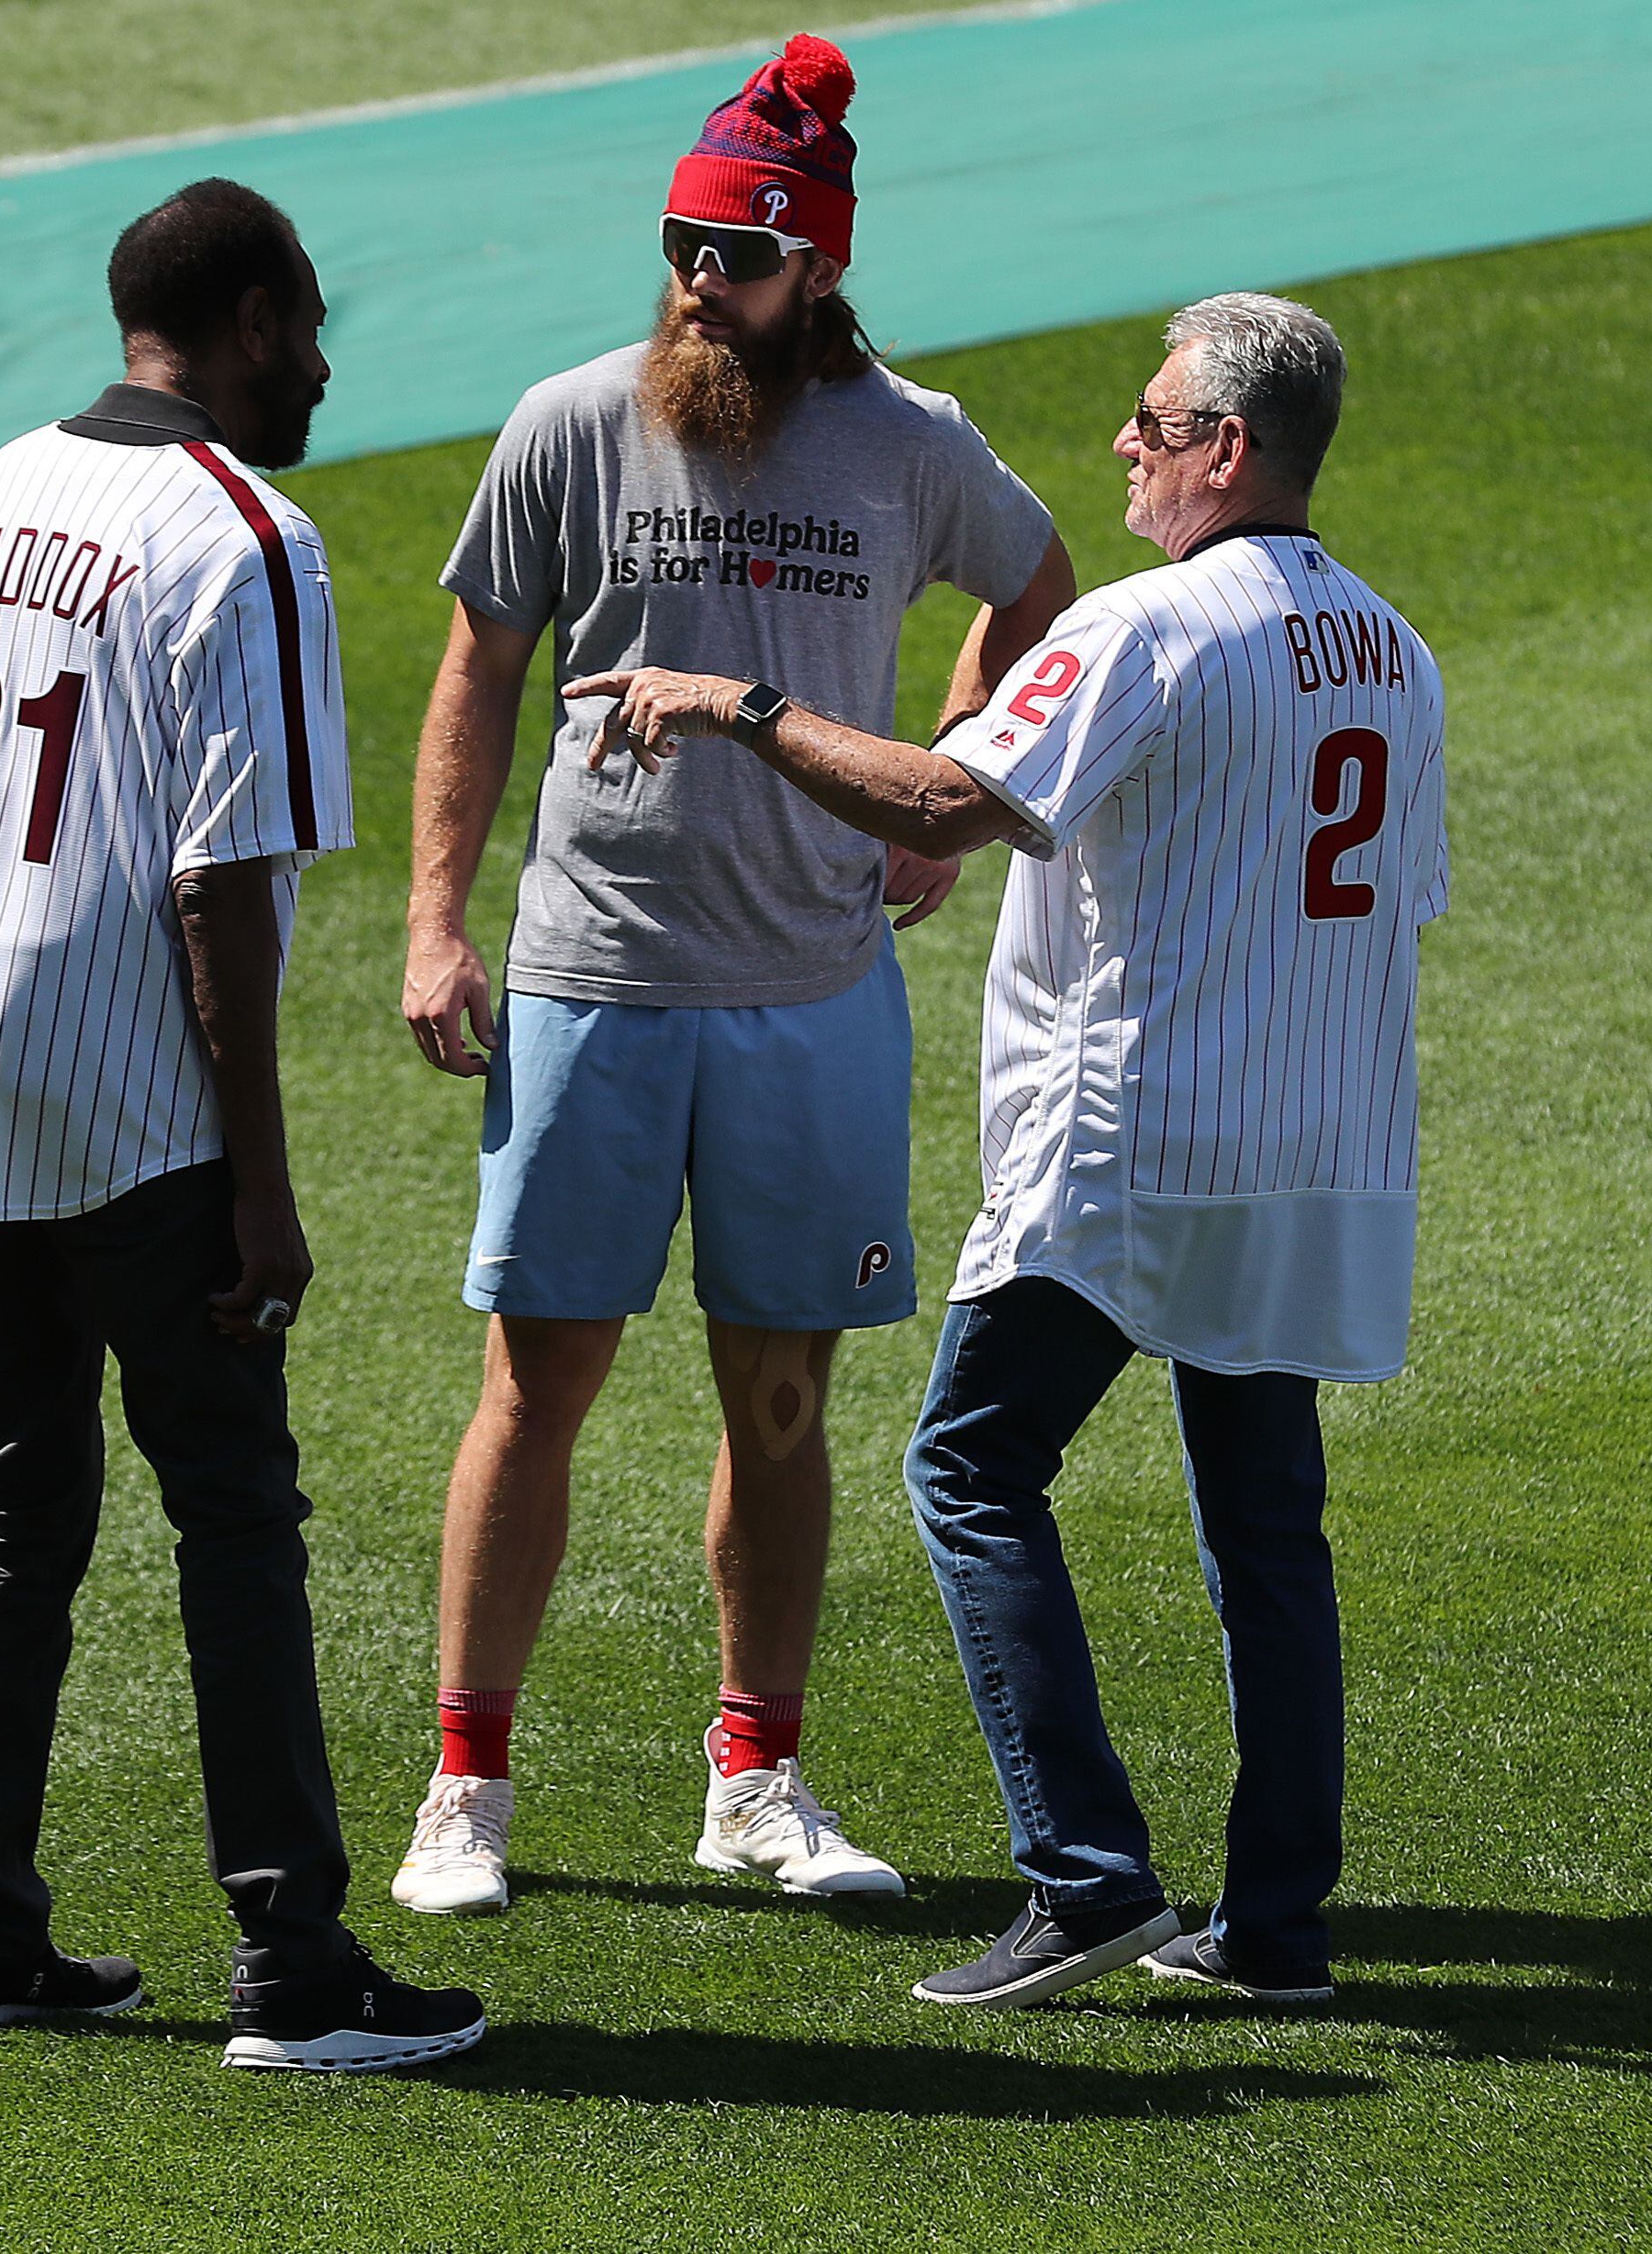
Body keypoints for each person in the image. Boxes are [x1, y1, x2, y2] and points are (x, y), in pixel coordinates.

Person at [565, 292, 1446, 2009]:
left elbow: (937, 802)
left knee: (969, 1469)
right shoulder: (1395, 645)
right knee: (1269, 1526)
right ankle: (1272, 1927)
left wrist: (732, 703)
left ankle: (1086, 1872)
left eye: (1151, 419)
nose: (1125, 441)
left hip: (1139, 1141)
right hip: (1319, 1147)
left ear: (1227, 448)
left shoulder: (1151, 628)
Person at [392, 33, 1077, 1918]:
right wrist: (438, 920)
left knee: (779, 1400)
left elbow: (1038, 590)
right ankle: (466, 1782)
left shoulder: (913, 445)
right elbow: (478, 670)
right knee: (536, 1387)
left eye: (740, 253)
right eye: (686, 241)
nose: (701, 278)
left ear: (820, 269)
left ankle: (754, 1777)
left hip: (808, 987)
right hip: (593, 974)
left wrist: (942, 793)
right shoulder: (566, 420)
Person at [0, 178, 484, 2071]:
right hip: (142, 1107)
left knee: (14, 1499)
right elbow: (223, 886)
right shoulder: (246, 534)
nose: (326, 363)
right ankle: (291, 1961)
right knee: (233, 1509)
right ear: (258, 311)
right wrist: (262, 1192)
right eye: (309, 325)